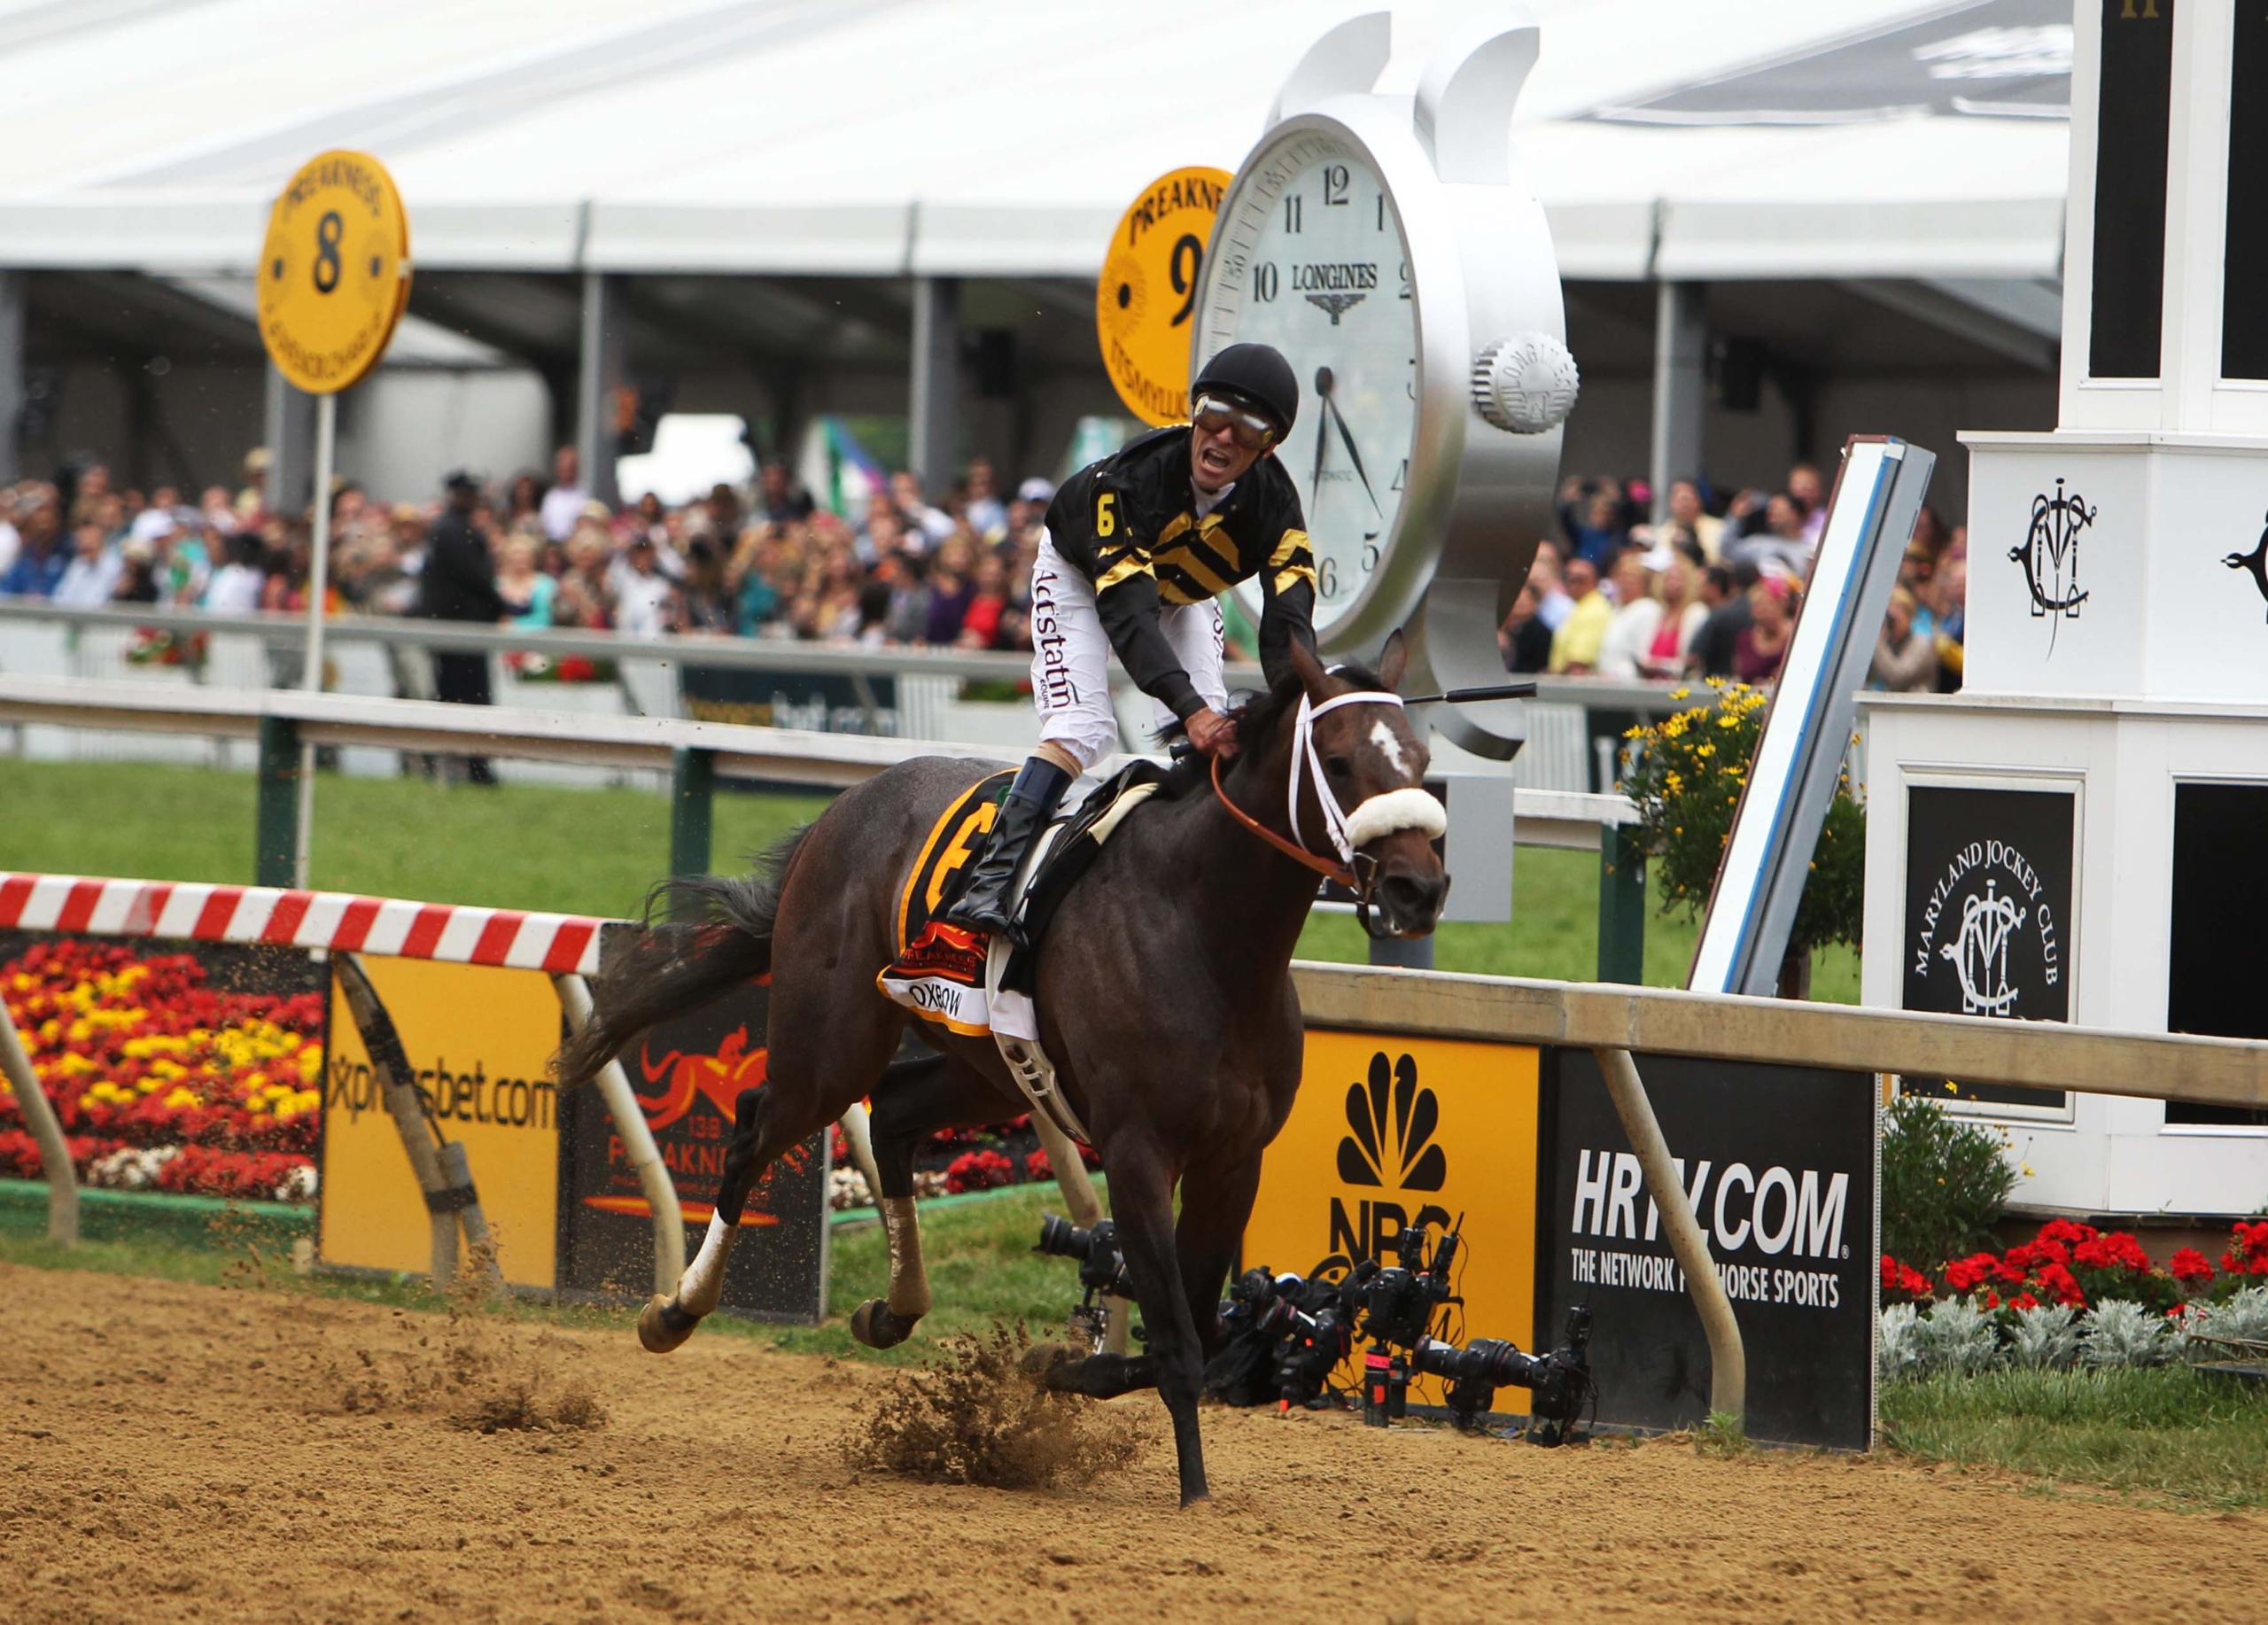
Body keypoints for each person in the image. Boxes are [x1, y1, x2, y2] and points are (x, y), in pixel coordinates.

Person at [941, 342, 1313, 941]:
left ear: (1269, 447)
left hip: (1177, 590)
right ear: (1195, 413)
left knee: (1214, 733)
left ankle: (1200, 877)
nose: (1221, 439)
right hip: (1084, 577)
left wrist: (1309, 700)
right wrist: (1186, 709)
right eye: (1214, 416)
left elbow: (1289, 622)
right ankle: (991, 876)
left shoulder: (1281, 510)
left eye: (1246, 431)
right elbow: (1130, 616)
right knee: (1083, 726)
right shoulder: (1132, 479)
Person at [416, 471, 508, 782]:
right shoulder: (454, 530)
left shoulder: (452, 528)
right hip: (460, 629)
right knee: (467, 696)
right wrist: (502, 604)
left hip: (459, 628)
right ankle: (471, 768)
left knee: (461, 696)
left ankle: (466, 766)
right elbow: (474, 576)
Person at [1595, 546, 1665, 680]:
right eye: (1622, 576)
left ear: (1644, 582)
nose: (1625, 582)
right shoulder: (1617, 610)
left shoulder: (1648, 608)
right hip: (1607, 680)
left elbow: (1643, 653)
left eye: (1632, 577)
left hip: (1630, 682)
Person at [1686, 562, 1754, 680]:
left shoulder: (1717, 617)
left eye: (1701, 584)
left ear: (1715, 587)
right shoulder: (1751, 611)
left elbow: (1694, 657)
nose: (1696, 589)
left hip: (1714, 686)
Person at [1547, 556, 1612, 674]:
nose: (1573, 584)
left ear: (1595, 581)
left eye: (1580, 580)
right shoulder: (1581, 606)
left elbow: (1578, 663)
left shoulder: (1594, 610)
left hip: (1568, 685)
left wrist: (1551, 677)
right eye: (1569, 578)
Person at [1868, 587, 1937, 692]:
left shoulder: (1922, 643)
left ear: (1909, 616)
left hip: (1914, 705)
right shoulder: (1887, 643)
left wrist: (1879, 644)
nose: (1891, 623)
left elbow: (1898, 677)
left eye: (1894, 619)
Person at [1731, 576, 1795, 686]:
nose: (1765, 612)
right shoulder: (1745, 639)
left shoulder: (1795, 638)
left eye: (1770, 606)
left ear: (1782, 605)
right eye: (1759, 607)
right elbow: (1738, 674)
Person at [1499, 579, 1553, 673]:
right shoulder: (1506, 628)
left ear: (1534, 603)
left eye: (1522, 602)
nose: (1517, 606)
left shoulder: (1540, 632)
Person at [539, 446, 586, 543]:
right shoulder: (550, 496)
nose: (566, 472)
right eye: (563, 467)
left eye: (570, 467)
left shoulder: (584, 496)